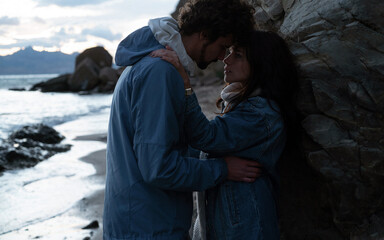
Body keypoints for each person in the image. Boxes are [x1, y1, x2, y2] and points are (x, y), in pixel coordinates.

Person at [103, 0, 260, 239]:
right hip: (147, 228)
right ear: (203, 34)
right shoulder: (159, 72)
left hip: (142, 220)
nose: (221, 57)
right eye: (222, 46)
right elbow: (159, 168)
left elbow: (162, 149)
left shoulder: (156, 66)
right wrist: (223, 169)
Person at [150, 29, 300, 239]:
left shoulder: (260, 112)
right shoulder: (245, 107)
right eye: (229, 52)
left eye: (237, 55)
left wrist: (185, 85)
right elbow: (202, 148)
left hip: (247, 227)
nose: (226, 60)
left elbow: (207, 137)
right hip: (234, 222)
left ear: (261, 64)